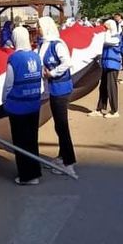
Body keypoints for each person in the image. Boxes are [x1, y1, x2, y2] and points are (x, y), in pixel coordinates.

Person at [38, 16, 78, 179]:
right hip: (52, 89)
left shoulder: (57, 44)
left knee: (62, 125)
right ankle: (62, 156)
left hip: (61, 88)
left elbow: (67, 63)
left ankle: (69, 162)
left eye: (39, 26)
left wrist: (52, 73)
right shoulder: (44, 44)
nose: (38, 29)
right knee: (58, 125)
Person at [2, 25, 43, 185]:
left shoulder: (14, 59)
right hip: (33, 103)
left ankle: (26, 175)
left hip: (17, 106)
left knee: (20, 141)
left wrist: (4, 99)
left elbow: (8, 84)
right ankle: (35, 172)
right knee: (32, 139)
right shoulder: (35, 56)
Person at [89, 19, 121, 118]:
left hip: (112, 65)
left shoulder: (116, 37)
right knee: (103, 87)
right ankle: (99, 109)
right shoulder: (108, 36)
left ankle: (114, 111)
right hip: (106, 65)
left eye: (106, 27)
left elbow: (106, 41)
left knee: (111, 88)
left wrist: (106, 31)